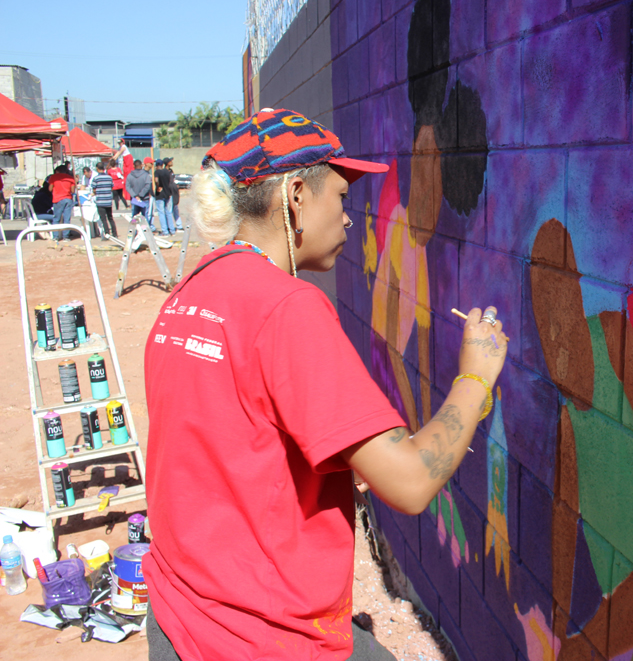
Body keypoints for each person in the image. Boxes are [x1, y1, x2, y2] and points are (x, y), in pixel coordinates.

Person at [142, 108, 509, 661]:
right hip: (260, 640)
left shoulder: (189, 294)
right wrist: (476, 377)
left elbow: (231, 441)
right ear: (295, 196)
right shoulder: (288, 308)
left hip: (179, 616)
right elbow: (411, 481)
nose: (348, 220)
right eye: (340, 198)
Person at [48, 164, 77, 241]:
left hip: (58, 199)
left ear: (57, 171)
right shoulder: (70, 178)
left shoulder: (53, 177)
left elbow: (50, 189)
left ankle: (56, 236)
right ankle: (66, 236)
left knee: (56, 219)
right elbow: (73, 191)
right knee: (66, 219)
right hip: (68, 199)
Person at [91, 160, 117, 238]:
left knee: (103, 219)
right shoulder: (109, 177)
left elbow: (94, 189)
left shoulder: (96, 178)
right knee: (110, 218)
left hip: (100, 202)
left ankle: (107, 234)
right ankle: (114, 233)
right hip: (108, 201)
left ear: (97, 168)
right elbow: (112, 188)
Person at [152, 158, 174, 235]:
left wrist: (158, 186)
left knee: (161, 213)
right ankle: (172, 230)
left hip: (160, 195)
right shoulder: (167, 172)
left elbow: (156, 180)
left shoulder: (157, 172)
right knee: (168, 212)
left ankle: (165, 231)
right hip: (167, 193)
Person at [164, 156, 182, 231]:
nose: (172, 162)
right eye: (170, 161)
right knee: (169, 210)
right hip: (169, 192)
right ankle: (170, 226)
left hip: (174, 192)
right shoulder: (165, 172)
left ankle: (179, 225)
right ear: (167, 163)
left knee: (175, 208)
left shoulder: (171, 171)